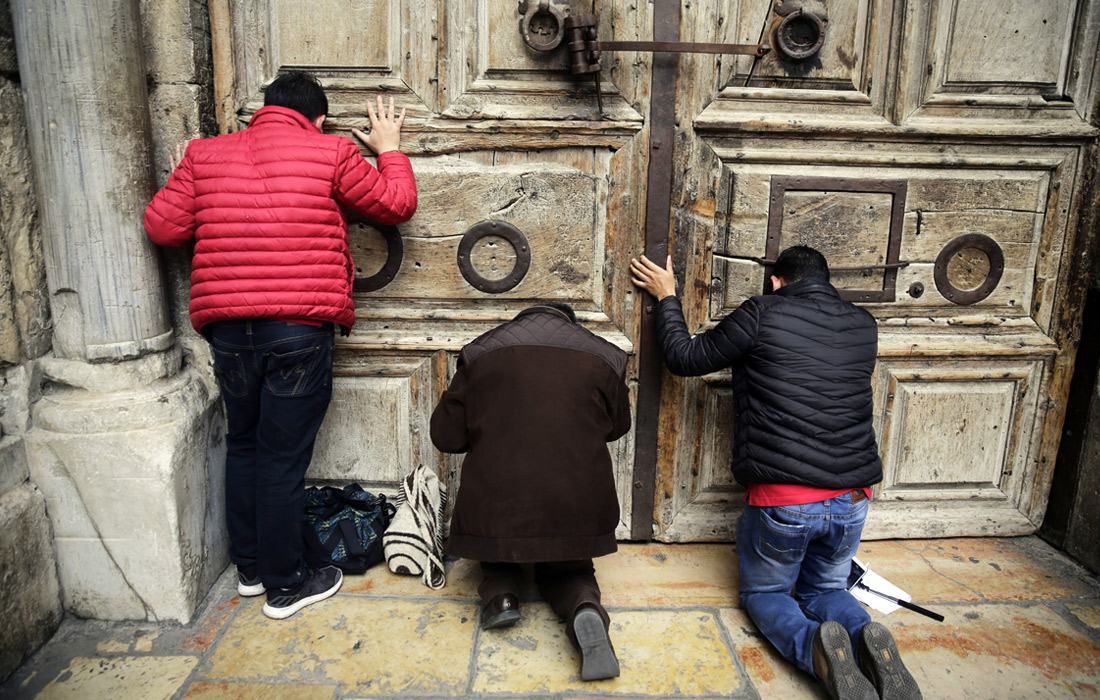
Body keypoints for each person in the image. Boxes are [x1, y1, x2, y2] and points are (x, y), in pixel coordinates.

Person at [144, 70, 417, 620]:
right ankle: (287, 583)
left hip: (228, 333)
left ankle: (249, 569)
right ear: (317, 119)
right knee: (283, 458)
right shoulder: (331, 152)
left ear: (261, 111)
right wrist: (388, 150)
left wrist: (182, 176)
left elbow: (163, 228)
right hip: (297, 330)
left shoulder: (203, 156)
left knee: (244, 444)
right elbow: (396, 204)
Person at [630, 247, 921, 700]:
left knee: (767, 596)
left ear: (776, 282)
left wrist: (667, 295)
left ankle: (816, 652)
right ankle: (868, 642)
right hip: (853, 499)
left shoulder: (761, 313)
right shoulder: (863, 323)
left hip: (786, 501)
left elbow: (684, 358)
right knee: (824, 587)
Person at [430, 301, 630, 681]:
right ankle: (583, 607)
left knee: (498, 552)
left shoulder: (480, 351)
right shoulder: (606, 355)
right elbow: (617, 427)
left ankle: (502, 593)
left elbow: (445, 435)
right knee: (570, 567)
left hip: (496, 510)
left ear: (520, 321)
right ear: (570, 323)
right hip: (578, 511)